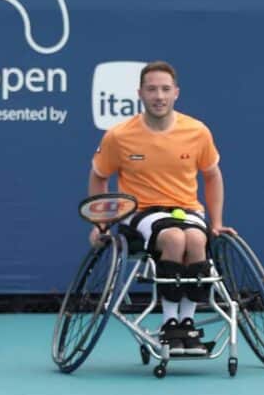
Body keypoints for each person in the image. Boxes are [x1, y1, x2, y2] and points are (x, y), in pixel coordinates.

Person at [89, 60, 235, 355]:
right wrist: (100, 224)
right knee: (173, 238)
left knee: (196, 238)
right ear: (140, 93)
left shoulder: (197, 131)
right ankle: (170, 323)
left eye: (165, 89)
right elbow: (99, 176)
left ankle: (187, 324)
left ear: (176, 93)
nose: (159, 96)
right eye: (152, 89)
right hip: (140, 212)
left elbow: (212, 176)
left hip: (187, 210)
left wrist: (216, 222)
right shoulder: (119, 136)